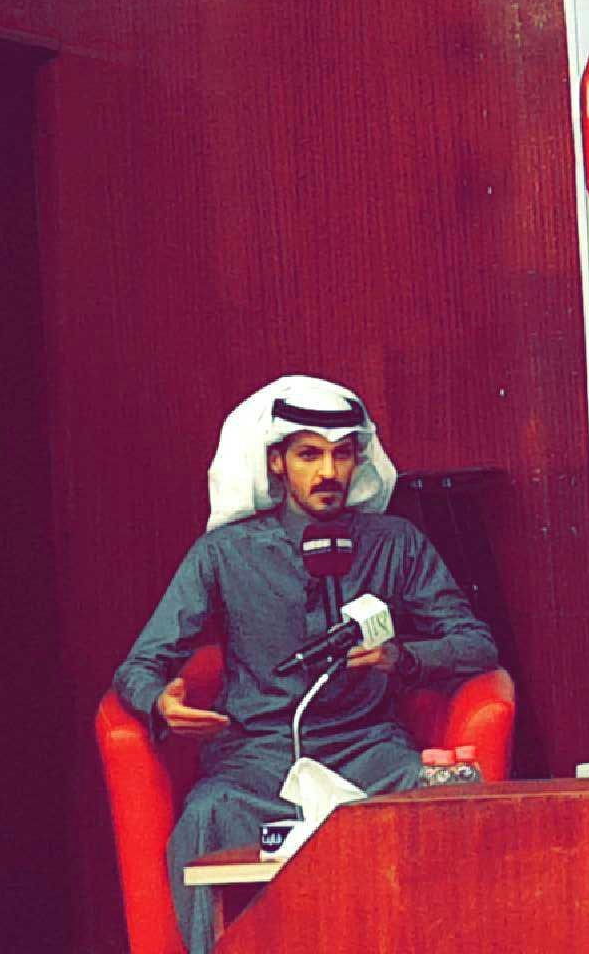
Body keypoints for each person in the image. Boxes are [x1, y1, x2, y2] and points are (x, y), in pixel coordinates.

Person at [112, 377, 500, 954]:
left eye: (341, 454)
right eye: (309, 455)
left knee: (443, 807)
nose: (327, 472)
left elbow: (476, 644)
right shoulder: (224, 554)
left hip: (368, 753)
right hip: (257, 759)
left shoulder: (396, 543)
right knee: (205, 816)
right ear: (277, 462)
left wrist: (403, 658)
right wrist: (159, 702)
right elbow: (141, 664)